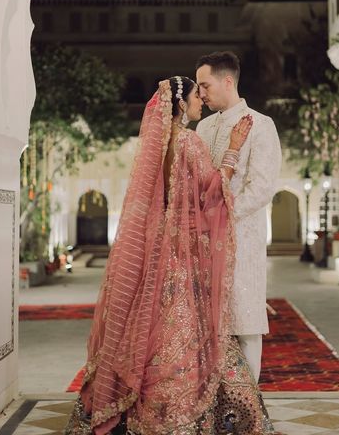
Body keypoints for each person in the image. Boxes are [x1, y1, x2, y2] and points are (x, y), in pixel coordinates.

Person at [65, 77, 277, 435]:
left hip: (157, 250)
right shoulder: (190, 140)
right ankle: (182, 413)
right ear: (182, 105)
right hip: (182, 256)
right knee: (189, 329)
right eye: (197, 96)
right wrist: (234, 149)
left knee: (150, 326)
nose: (201, 101)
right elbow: (211, 195)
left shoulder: (159, 144)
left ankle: (132, 405)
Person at [196, 52, 282, 384]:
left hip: (242, 238)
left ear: (227, 81)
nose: (201, 93)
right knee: (209, 323)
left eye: (205, 85)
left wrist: (222, 216)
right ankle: (214, 406)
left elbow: (261, 188)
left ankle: (249, 411)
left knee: (245, 322)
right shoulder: (204, 127)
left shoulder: (261, 125)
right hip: (204, 240)